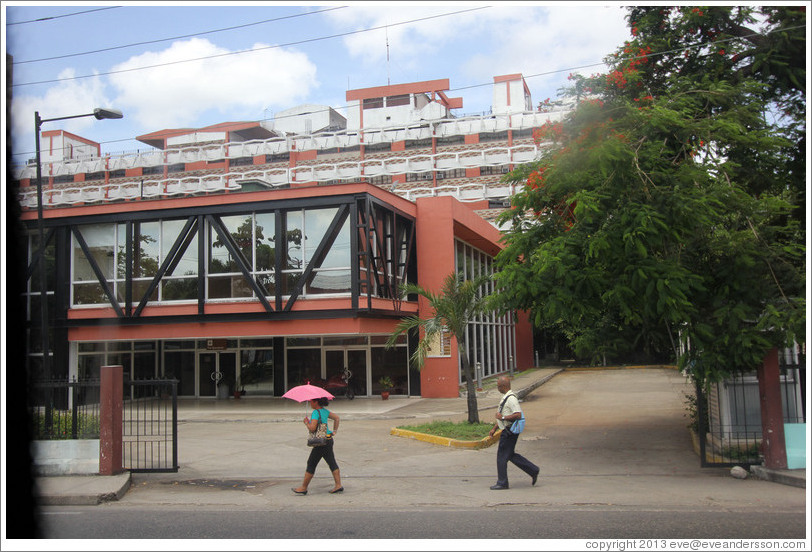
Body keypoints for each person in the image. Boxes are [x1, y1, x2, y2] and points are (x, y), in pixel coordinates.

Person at [488, 375, 539, 490]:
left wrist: (503, 417)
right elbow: (501, 415)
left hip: (509, 432)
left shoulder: (511, 399)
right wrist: (494, 428)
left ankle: (502, 482)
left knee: (501, 456)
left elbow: (517, 414)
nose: (497, 388)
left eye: (498, 386)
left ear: (504, 386)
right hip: (506, 429)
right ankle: (533, 470)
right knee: (510, 455)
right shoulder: (505, 397)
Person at [292, 397, 344, 495]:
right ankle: (338, 485)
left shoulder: (315, 413)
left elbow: (312, 428)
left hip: (321, 442)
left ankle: (303, 487)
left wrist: (307, 423)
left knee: (311, 462)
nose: (310, 403)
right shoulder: (324, 411)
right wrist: (334, 431)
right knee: (331, 461)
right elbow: (337, 418)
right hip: (328, 439)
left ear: (316, 402)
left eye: (311, 401)